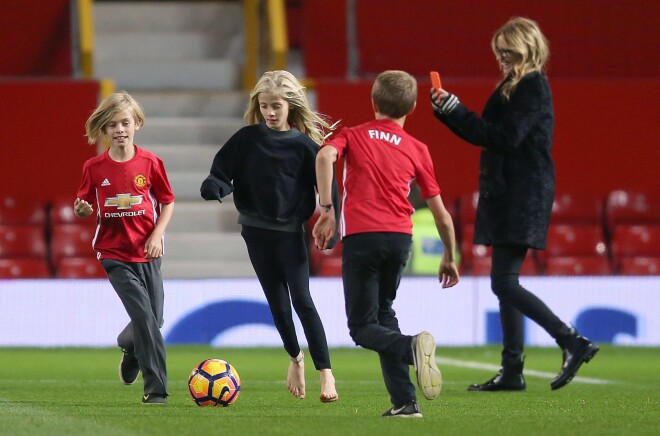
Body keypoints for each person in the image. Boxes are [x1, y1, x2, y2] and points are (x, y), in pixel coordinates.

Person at [430, 17, 599, 391]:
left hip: (522, 193)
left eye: (508, 51)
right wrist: (450, 111)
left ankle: (571, 340)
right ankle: (512, 369)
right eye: (500, 52)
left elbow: (505, 138)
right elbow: (490, 137)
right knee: (504, 282)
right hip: (513, 191)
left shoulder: (532, 85)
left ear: (527, 49)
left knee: (504, 282)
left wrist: (457, 111)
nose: (502, 58)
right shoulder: (517, 85)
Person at [313, 70, 460, 418]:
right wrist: (450, 257)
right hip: (399, 239)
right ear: (411, 107)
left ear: (374, 101)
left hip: (363, 236)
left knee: (362, 328)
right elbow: (442, 215)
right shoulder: (418, 148)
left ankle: (411, 348)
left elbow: (323, 157)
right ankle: (405, 402)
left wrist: (327, 210)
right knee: (383, 315)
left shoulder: (353, 135)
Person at [200, 70, 340, 403]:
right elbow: (220, 173)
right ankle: (295, 359)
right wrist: (214, 187)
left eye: (276, 105)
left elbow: (328, 190)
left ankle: (327, 373)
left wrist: (330, 223)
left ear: (291, 105)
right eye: (264, 106)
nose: (270, 113)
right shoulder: (246, 139)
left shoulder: (306, 148)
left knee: (302, 301)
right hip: (255, 231)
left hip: (290, 234)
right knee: (278, 305)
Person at [74, 91, 175, 405]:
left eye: (125, 122)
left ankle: (128, 346)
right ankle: (156, 389)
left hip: (148, 251)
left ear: (137, 124)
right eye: (112, 124)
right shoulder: (94, 168)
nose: (119, 129)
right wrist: (81, 210)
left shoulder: (151, 163)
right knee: (145, 318)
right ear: (104, 130)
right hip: (113, 253)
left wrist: (157, 234)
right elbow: (83, 204)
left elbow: (167, 201)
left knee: (154, 319)